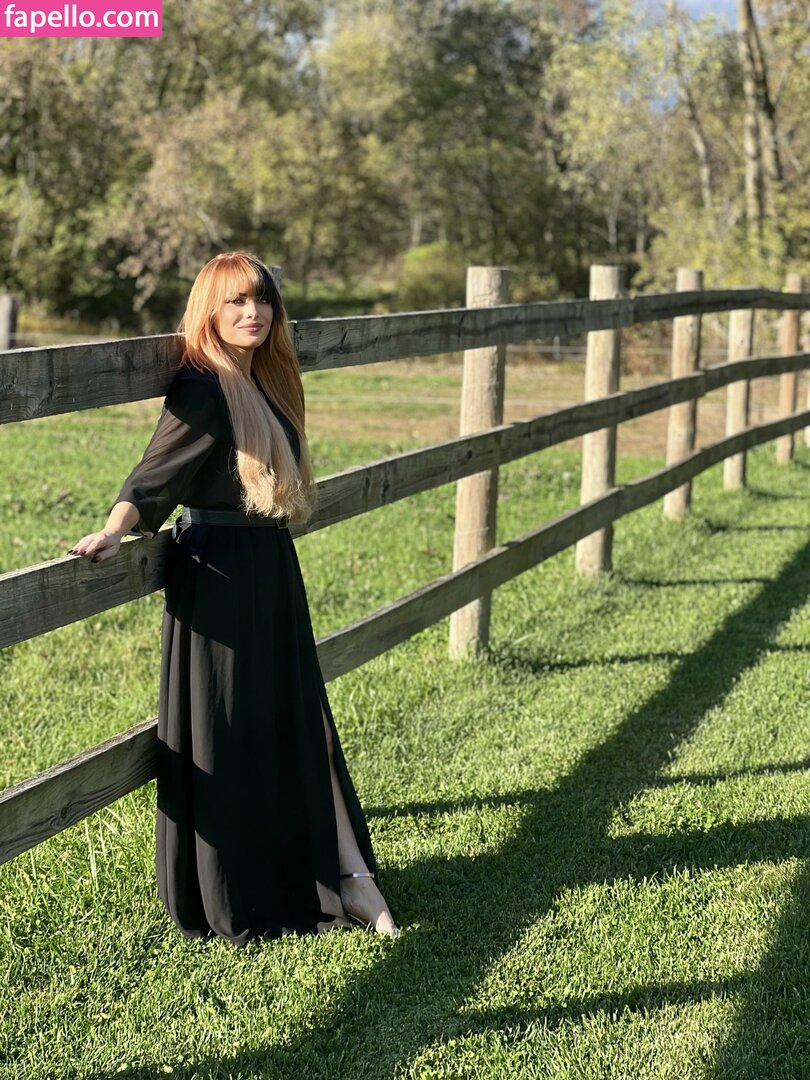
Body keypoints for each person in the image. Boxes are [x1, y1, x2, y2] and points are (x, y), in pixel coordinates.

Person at [67, 251, 399, 945]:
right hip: (216, 573)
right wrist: (114, 529)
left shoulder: (269, 382)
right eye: (237, 302)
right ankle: (242, 887)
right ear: (210, 312)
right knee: (228, 731)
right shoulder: (203, 385)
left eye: (263, 300)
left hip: (270, 564)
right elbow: (152, 475)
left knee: (303, 720)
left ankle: (349, 876)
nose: (254, 313)